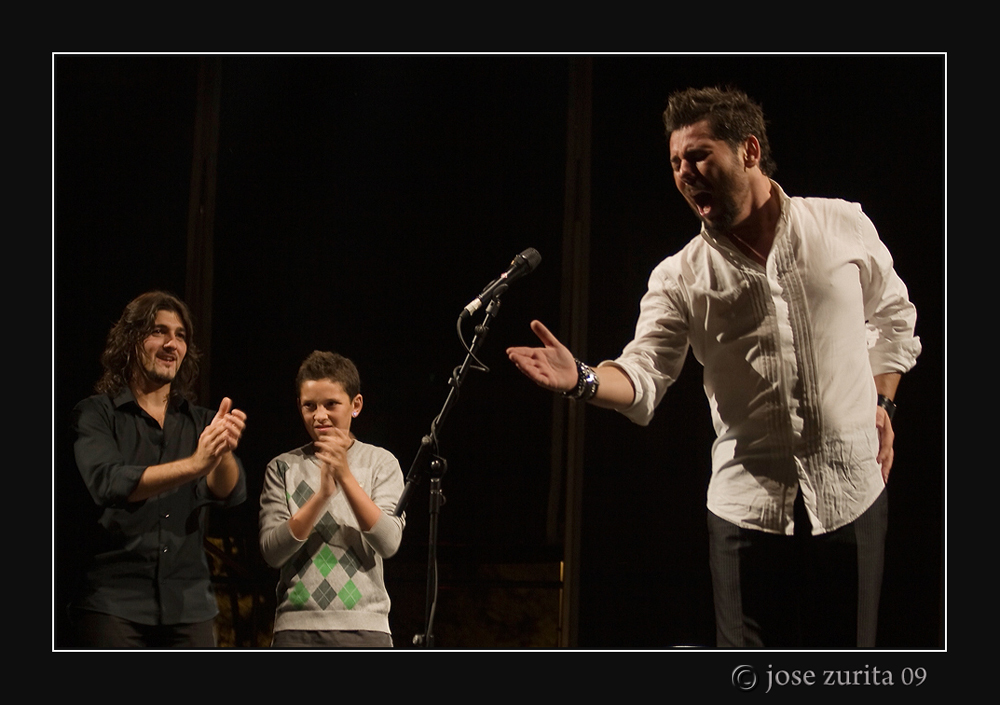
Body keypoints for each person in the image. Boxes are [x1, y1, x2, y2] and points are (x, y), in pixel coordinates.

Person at [506, 86, 922, 648]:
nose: (685, 171)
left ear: (748, 151)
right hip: (746, 516)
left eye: (699, 155)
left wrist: (883, 402)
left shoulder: (841, 225)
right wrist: (581, 378)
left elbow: (894, 320)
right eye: (676, 161)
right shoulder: (679, 275)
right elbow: (644, 375)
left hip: (852, 496)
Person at [69, 290, 248, 648]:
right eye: (159, 332)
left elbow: (229, 492)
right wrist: (195, 463)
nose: (172, 344)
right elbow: (109, 482)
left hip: (189, 606)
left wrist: (221, 451)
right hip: (114, 604)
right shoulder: (95, 414)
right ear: (130, 341)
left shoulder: (201, 422)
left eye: (180, 335)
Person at [259, 351, 405, 647]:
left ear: (356, 405)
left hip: (366, 627)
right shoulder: (283, 467)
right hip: (296, 628)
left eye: (331, 404)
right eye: (309, 406)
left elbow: (389, 542)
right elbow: (272, 552)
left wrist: (345, 477)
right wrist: (322, 495)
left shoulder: (381, 462)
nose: (320, 415)